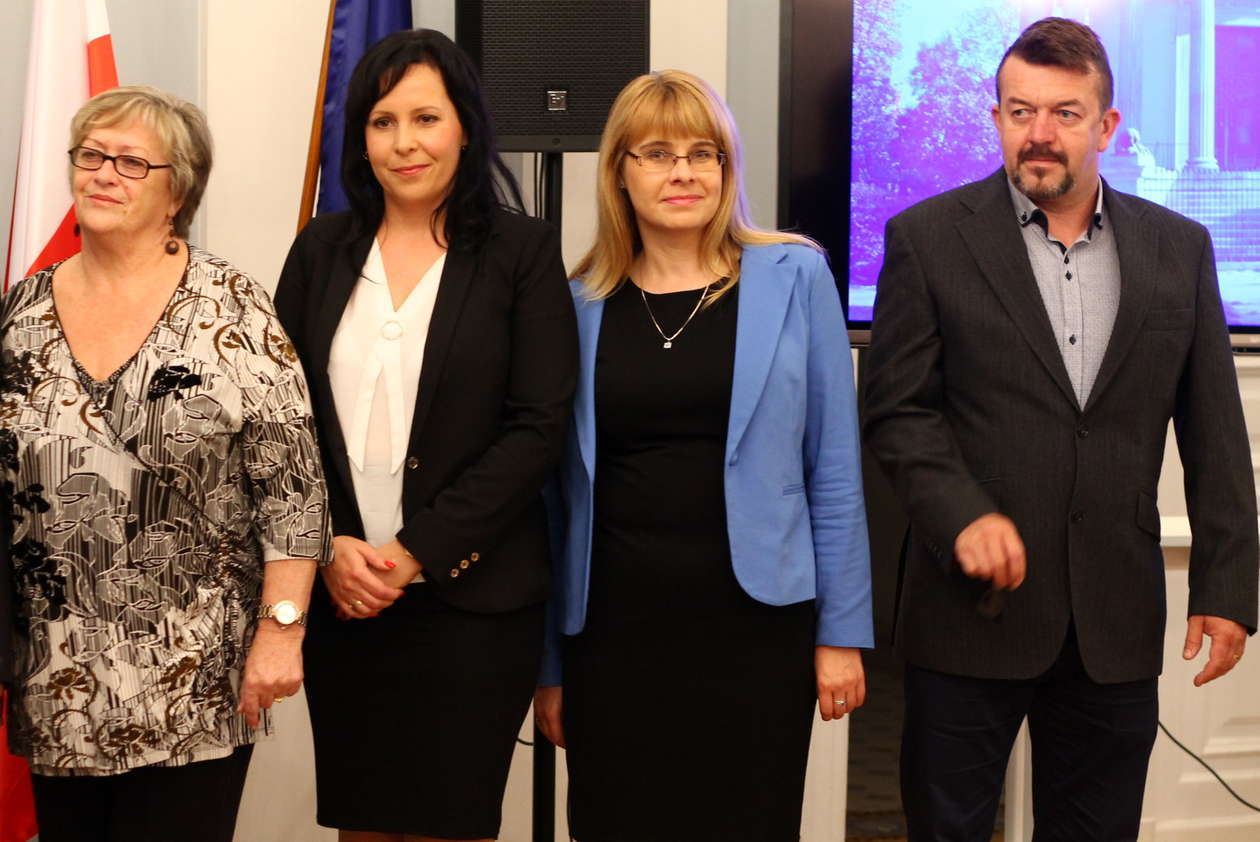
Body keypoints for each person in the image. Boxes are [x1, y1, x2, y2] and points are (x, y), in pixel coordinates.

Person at [863, 17, 1258, 841]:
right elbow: (899, 412)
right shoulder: (927, 240)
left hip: (1113, 618)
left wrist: (1226, 589)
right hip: (968, 616)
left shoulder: (1179, 249)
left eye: (1064, 113)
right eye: (1020, 111)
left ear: (1106, 126)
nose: (1038, 133)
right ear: (998, 117)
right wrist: (962, 515)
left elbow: (1216, 431)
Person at [533, 69, 873, 842]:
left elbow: (834, 471)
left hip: (756, 632)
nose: (682, 172)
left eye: (702, 153)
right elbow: (552, 502)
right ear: (620, 172)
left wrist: (841, 633)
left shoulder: (795, 276)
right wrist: (549, 665)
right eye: (657, 153)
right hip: (613, 635)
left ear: (726, 167)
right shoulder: (575, 302)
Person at [0, 86, 329, 842]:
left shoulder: (231, 307)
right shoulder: (21, 313)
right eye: (90, 155)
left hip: (195, 676)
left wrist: (282, 630)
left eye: (130, 162)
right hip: (58, 677)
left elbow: (294, 490)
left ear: (177, 192)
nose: (102, 173)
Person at [273, 29, 577, 842]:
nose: (404, 142)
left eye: (425, 118)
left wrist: (416, 552)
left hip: (471, 603)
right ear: (361, 139)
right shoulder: (320, 251)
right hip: (343, 598)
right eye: (382, 122)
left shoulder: (523, 251)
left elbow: (537, 426)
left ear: (466, 127)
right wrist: (328, 544)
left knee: (449, 823)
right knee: (363, 823)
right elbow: (280, 422)